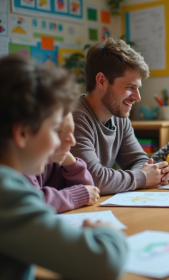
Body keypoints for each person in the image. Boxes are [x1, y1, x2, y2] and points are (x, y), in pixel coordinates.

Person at [0, 55, 127, 280]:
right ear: (22, 134)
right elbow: (104, 263)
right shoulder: (5, 190)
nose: (64, 143)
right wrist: (108, 233)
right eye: (54, 129)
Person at [71, 38, 169, 194]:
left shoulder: (118, 116)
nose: (137, 97)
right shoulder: (75, 117)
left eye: (137, 88)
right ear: (102, 81)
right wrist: (143, 177)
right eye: (130, 87)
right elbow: (93, 179)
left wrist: (152, 172)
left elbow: (139, 160)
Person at [25, 112, 100, 213]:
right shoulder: (17, 164)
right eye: (58, 131)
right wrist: (77, 195)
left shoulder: (53, 159)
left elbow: (89, 190)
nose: (72, 141)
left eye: (71, 132)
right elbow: (32, 204)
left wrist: (70, 161)